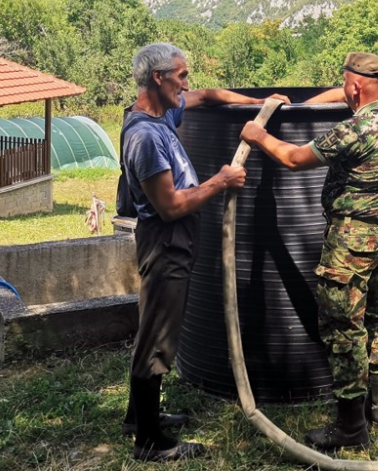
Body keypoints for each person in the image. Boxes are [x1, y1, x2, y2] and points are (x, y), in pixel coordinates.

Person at [119, 42, 289, 462]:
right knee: (158, 337)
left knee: (153, 329)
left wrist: (259, 103)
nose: (187, 83)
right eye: (181, 75)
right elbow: (171, 205)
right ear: (158, 78)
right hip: (165, 240)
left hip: (171, 239)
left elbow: (210, 96)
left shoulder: (165, 112)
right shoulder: (143, 136)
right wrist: (220, 181)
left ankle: (137, 419)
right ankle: (151, 443)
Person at [240, 52, 378, 451]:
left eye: (345, 84)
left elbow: (295, 159)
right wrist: (303, 104)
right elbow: (346, 90)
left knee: (343, 330)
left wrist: (258, 135)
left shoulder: (356, 128)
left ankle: (350, 428)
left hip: (351, 244)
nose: (343, 90)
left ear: (355, 87)